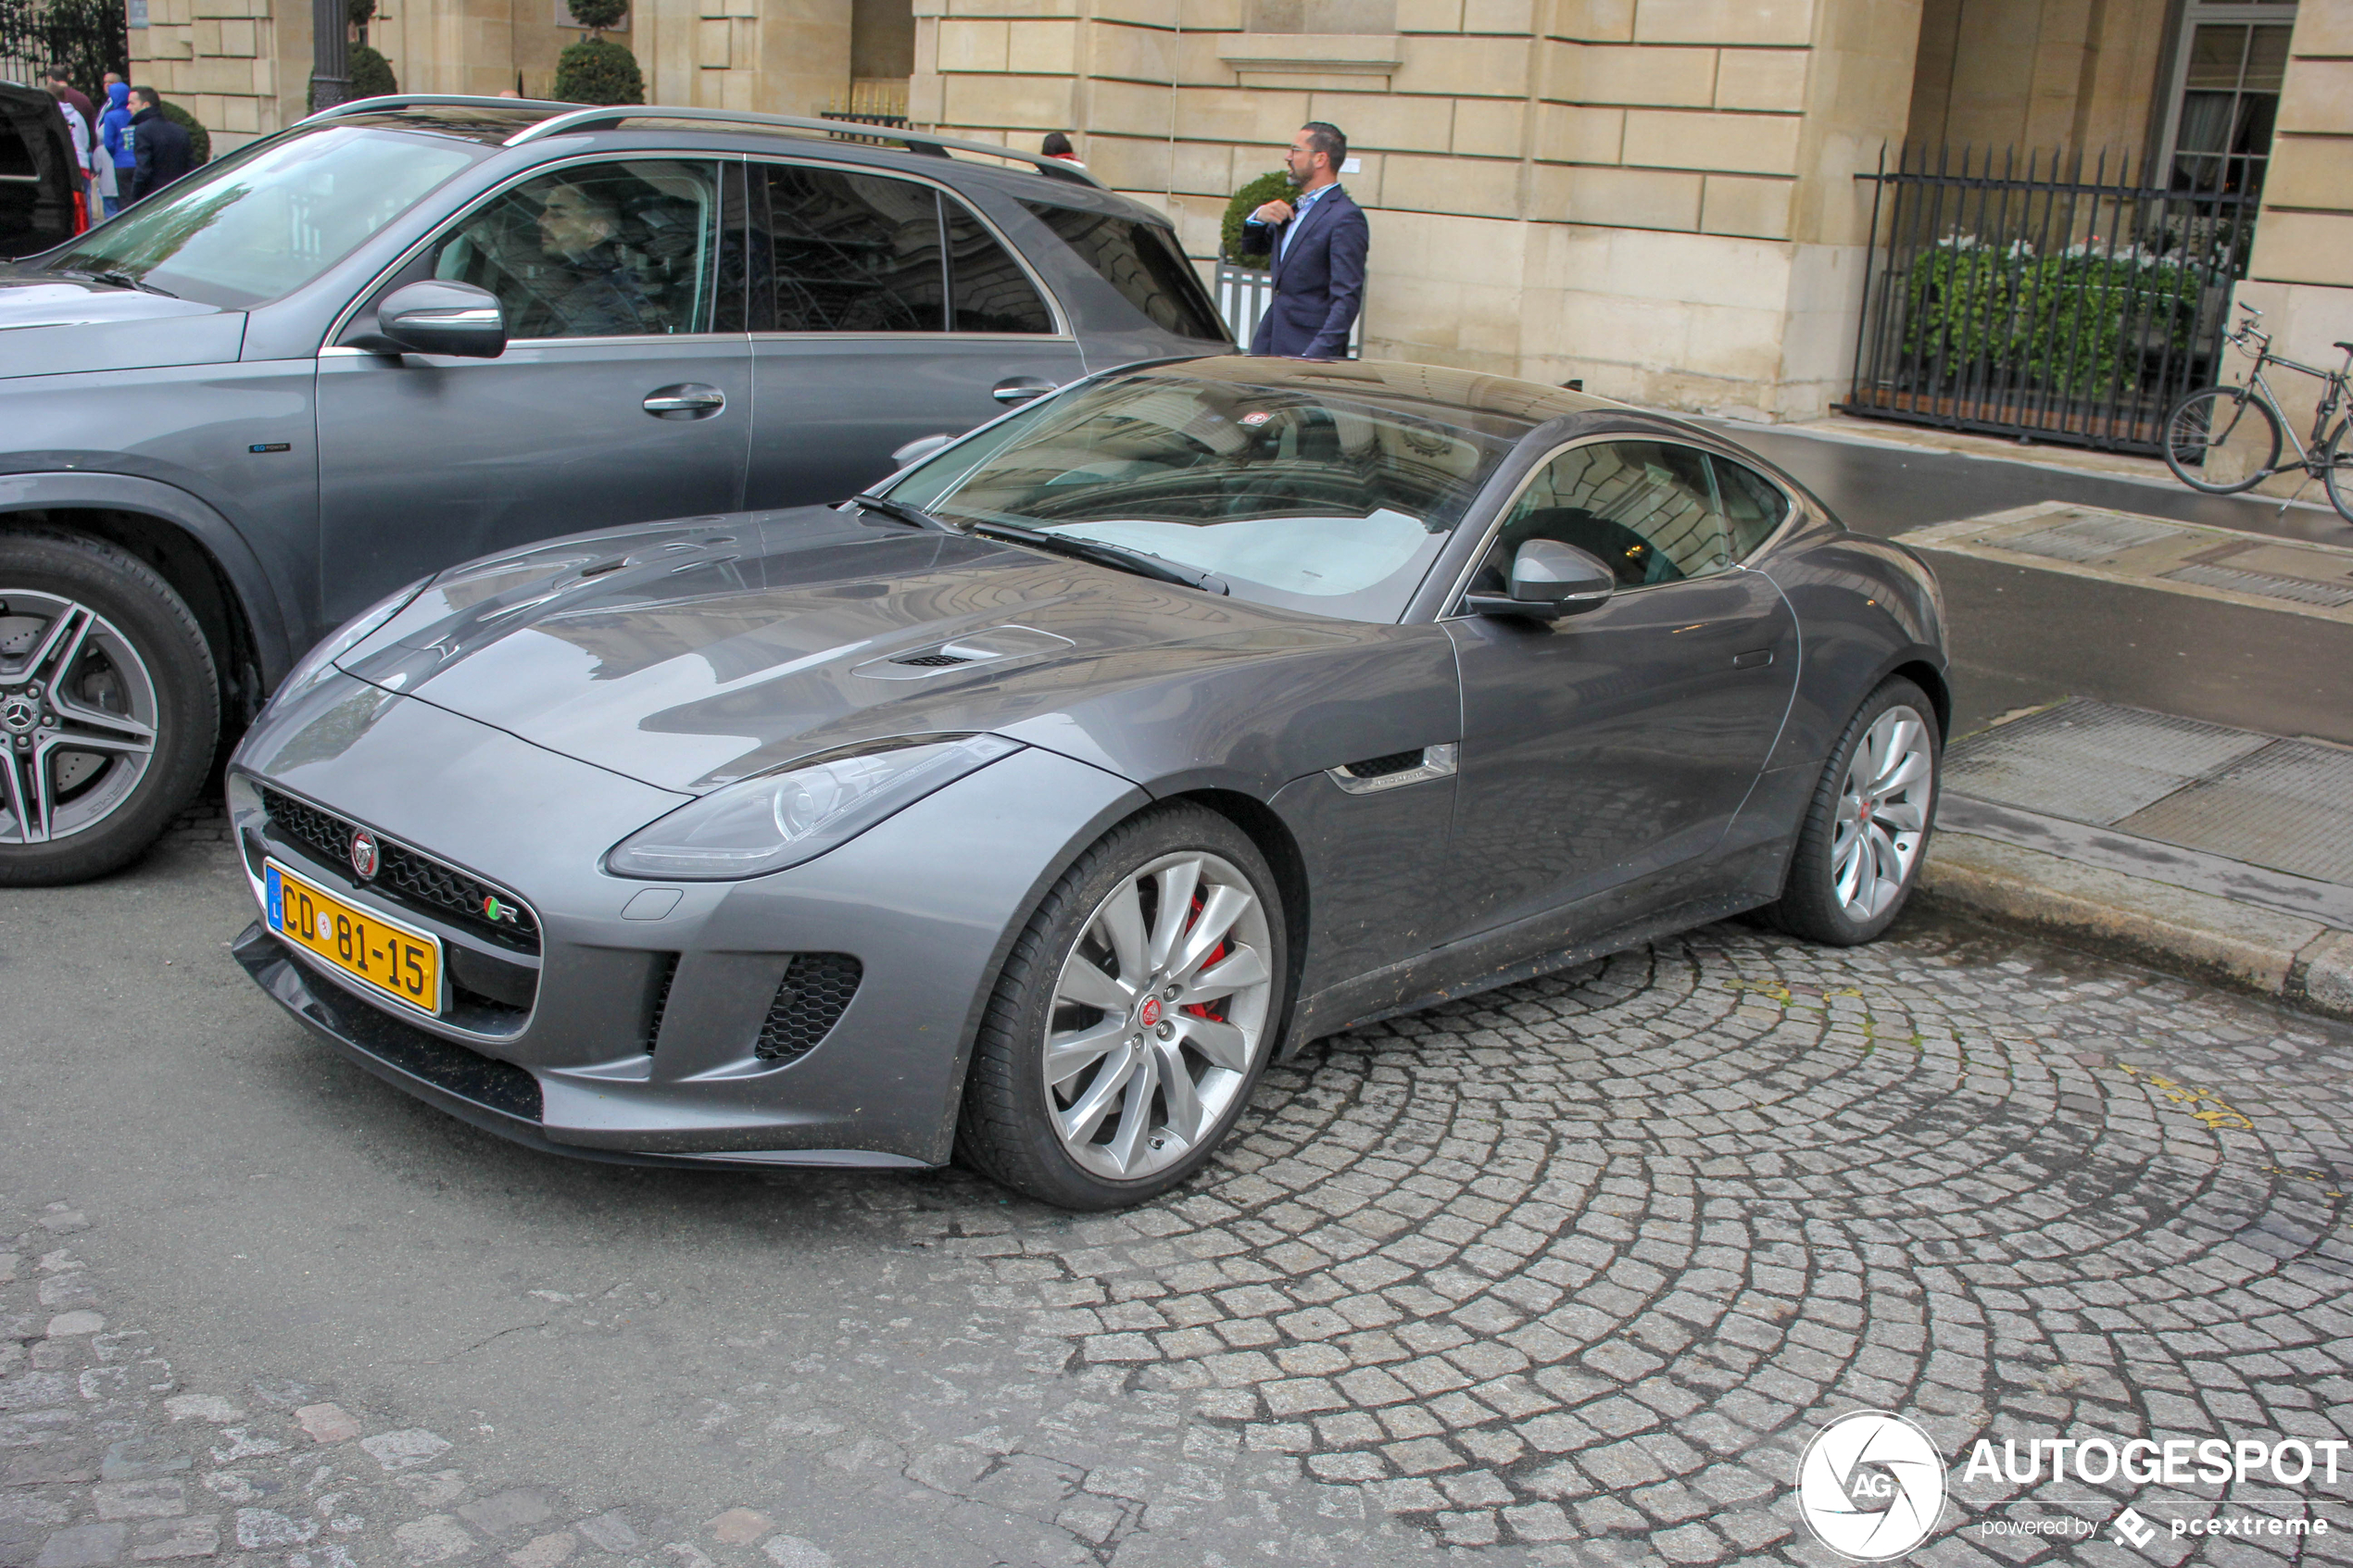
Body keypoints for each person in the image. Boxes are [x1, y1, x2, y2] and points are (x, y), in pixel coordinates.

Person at [1239, 121, 1365, 360]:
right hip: (1270, 343)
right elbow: (1251, 248)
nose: (1288, 157)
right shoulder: (1293, 209)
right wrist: (1257, 218)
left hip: (1308, 354)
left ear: (1320, 159)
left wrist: (1317, 354)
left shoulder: (1345, 217)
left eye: (1296, 150)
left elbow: (1346, 297)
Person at [533, 181, 657, 336]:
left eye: (558, 215)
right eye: (544, 211)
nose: (541, 221)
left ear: (597, 231)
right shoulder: (570, 281)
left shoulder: (606, 296)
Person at [125, 87, 192, 202]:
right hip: (180, 196)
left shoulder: (142, 130)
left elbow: (143, 171)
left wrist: (134, 199)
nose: (128, 107)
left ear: (145, 105)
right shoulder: (180, 130)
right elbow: (191, 167)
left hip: (154, 198)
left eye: (132, 103)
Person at [98, 82, 135, 217]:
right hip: (138, 161)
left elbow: (108, 142)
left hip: (121, 163)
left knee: (125, 200)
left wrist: (116, 155)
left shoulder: (111, 116)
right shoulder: (134, 113)